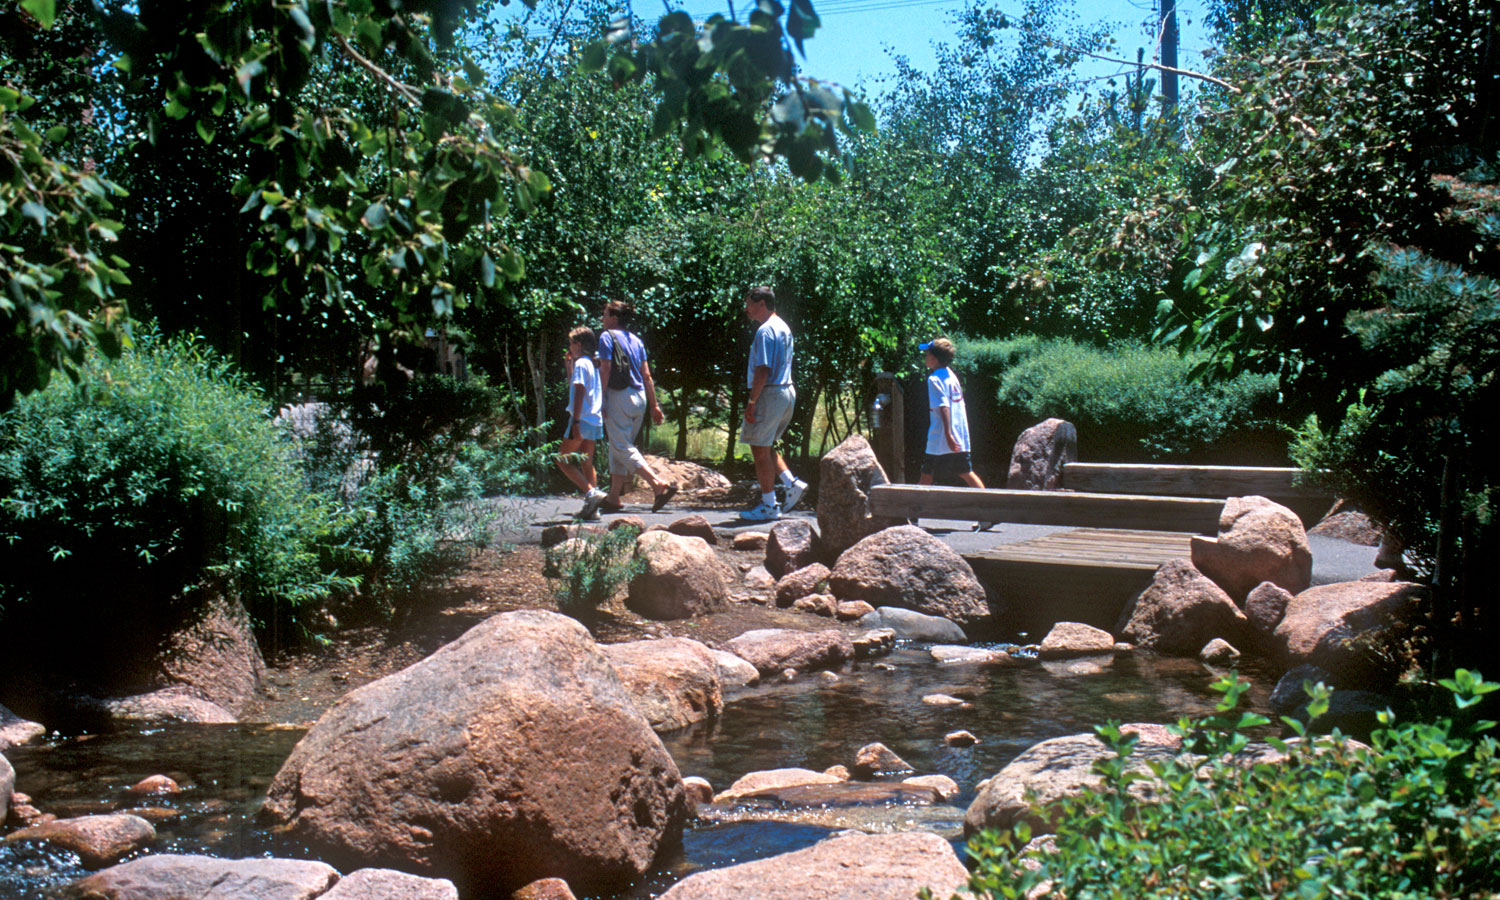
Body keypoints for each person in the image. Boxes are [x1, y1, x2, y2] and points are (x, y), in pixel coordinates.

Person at [597, 300, 679, 512]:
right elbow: (647, 375)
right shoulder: (637, 340)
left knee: (621, 446)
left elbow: (605, 369)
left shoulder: (607, 337)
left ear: (614, 318)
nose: (602, 318)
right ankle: (614, 497)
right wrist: (654, 406)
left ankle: (657, 485)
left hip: (618, 397)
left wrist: (601, 397)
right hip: (639, 398)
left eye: (605, 314)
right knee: (621, 447)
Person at [740, 285, 808, 521]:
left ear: (761, 304)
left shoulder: (765, 331)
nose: (746, 309)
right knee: (765, 445)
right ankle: (792, 483)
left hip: (770, 393)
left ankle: (770, 506)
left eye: (749, 303)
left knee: (759, 449)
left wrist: (752, 402)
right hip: (786, 391)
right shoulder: (783, 327)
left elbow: (763, 369)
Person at [555, 326, 608, 520]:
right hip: (594, 420)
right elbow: (576, 386)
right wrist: (568, 367)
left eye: (571, 343)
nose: (569, 347)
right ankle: (593, 510)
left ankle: (591, 494)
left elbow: (578, 392)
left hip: (582, 418)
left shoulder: (581, 364)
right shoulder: (591, 364)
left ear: (578, 344)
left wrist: (575, 421)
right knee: (587, 462)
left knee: (561, 459)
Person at [919, 337, 986, 490]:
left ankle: (914, 512)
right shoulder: (951, 375)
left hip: (940, 436)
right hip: (960, 434)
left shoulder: (934, 378)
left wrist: (948, 434)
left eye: (927, 354)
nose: (925, 357)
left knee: (926, 474)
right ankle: (988, 505)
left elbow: (944, 406)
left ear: (934, 358)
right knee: (966, 472)